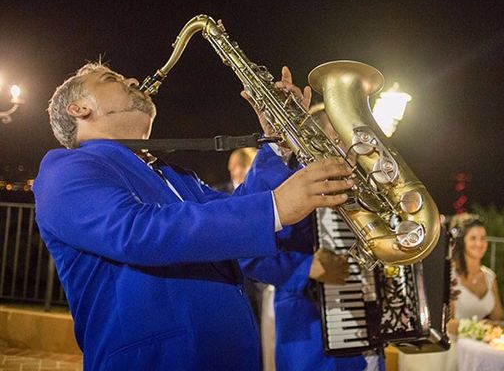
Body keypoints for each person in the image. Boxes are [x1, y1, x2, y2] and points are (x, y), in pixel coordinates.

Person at [33, 62, 354, 370]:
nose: (132, 81)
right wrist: (275, 206)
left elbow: (236, 220)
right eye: (111, 79)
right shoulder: (66, 168)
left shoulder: (173, 175)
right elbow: (136, 231)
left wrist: (277, 145)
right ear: (78, 109)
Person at [239, 104, 383, 370]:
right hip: (312, 337)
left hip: (370, 339)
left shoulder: (370, 191)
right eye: (337, 136)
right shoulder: (292, 185)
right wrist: (309, 266)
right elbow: (248, 253)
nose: (348, 146)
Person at [400, 215, 504, 371]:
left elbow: (499, 317)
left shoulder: (490, 277)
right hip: (446, 347)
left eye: (483, 238)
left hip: (475, 349)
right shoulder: (449, 274)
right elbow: (445, 323)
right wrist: (480, 327)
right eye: (473, 238)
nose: (479, 243)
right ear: (462, 242)